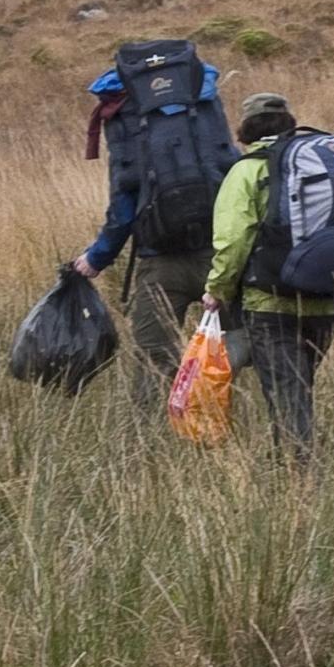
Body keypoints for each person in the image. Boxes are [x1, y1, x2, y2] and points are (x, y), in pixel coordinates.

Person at [71, 40, 239, 417]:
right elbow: (232, 168)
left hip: (159, 261)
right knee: (240, 354)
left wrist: (98, 257)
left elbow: (124, 200)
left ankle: (144, 453)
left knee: (153, 364)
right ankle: (226, 431)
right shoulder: (203, 98)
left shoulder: (124, 113)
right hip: (223, 254)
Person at [202, 93, 334, 459]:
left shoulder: (246, 171)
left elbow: (233, 240)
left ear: (245, 132)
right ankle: (296, 468)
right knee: (298, 390)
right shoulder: (313, 167)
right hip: (326, 299)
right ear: (289, 125)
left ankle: (300, 487)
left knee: (288, 399)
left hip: (270, 303)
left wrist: (216, 290)